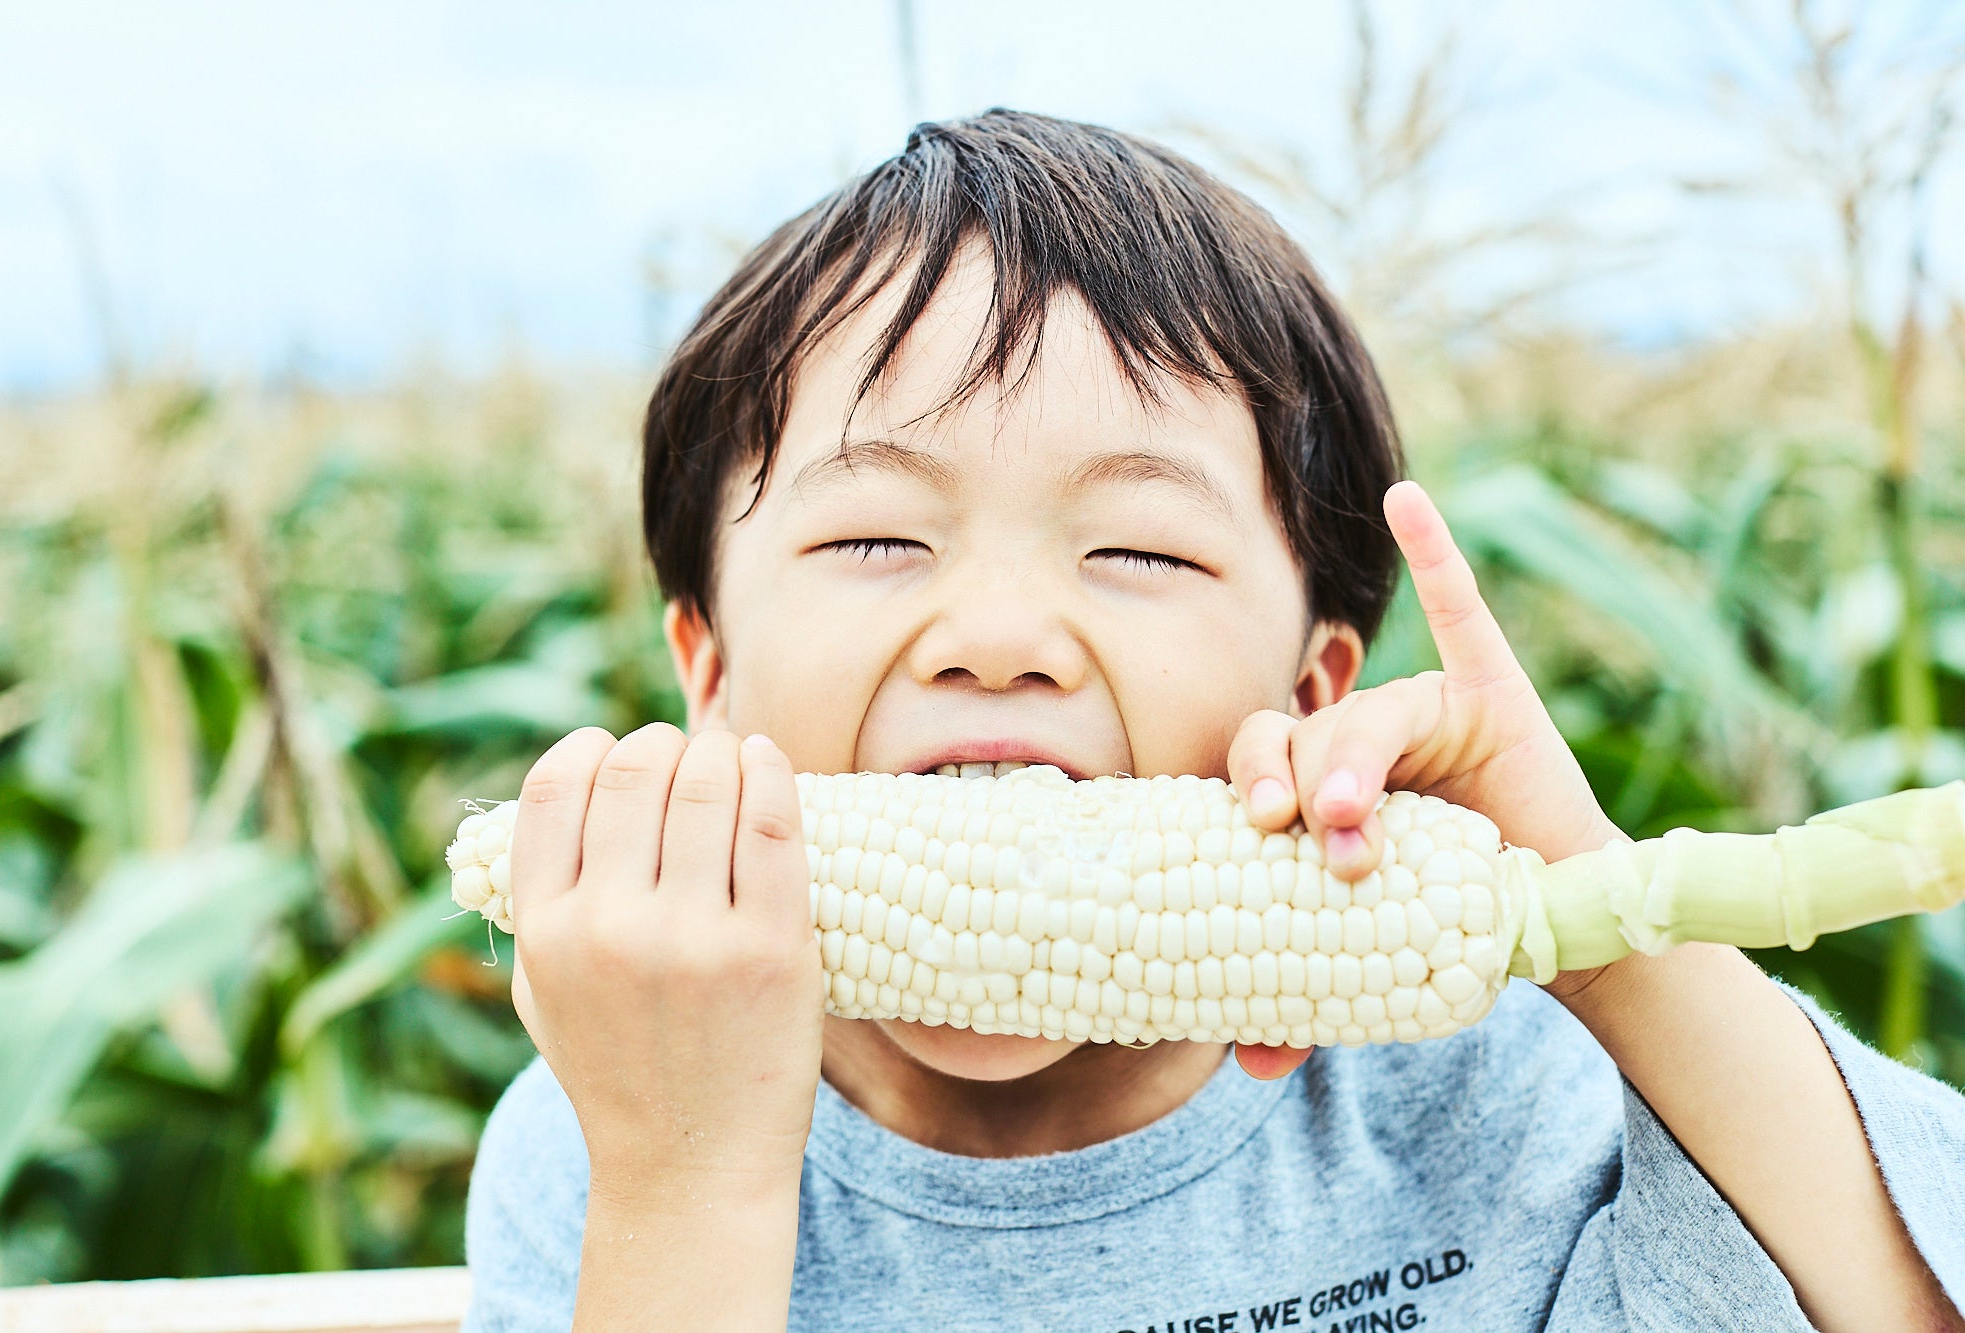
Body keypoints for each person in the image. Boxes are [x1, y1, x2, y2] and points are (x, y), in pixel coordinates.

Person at [460, 109, 1964, 1332]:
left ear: (1313, 690)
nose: (998, 638)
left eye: (1139, 551)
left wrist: (1594, 902)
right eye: (874, 539)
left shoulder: (1474, 1077)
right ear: (706, 669)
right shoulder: (616, 1120)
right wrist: (692, 1182)